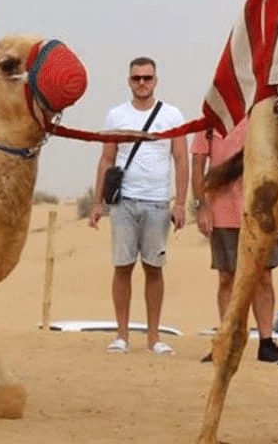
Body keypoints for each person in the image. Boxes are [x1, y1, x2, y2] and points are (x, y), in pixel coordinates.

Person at [89, 57, 188, 355]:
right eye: (136, 78)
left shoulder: (171, 116)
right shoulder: (116, 116)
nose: (142, 83)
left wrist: (180, 202)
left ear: (156, 80)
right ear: (129, 81)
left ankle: (154, 336)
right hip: (124, 202)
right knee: (122, 267)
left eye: (147, 78)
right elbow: (107, 159)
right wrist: (98, 202)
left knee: (154, 268)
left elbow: (181, 159)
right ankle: (122, 334)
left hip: (158, 201)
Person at [191, 118, 278, 366]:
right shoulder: (211, 118)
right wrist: (201, 206)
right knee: (227, 277)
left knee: (263, 278)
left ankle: (266, 342)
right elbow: (198, 163)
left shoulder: (262, 115)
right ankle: (225, 342)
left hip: (261, 208)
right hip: (222, 208)